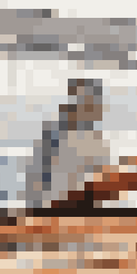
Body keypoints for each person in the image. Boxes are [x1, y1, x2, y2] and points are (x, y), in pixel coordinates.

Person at [27, 78, 109, 207]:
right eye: (84, 102)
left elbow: (99, 177)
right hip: (56, 203)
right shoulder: (53, 135)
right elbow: (38, 175)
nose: (91, 108)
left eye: (93, 103)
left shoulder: (97, 140)